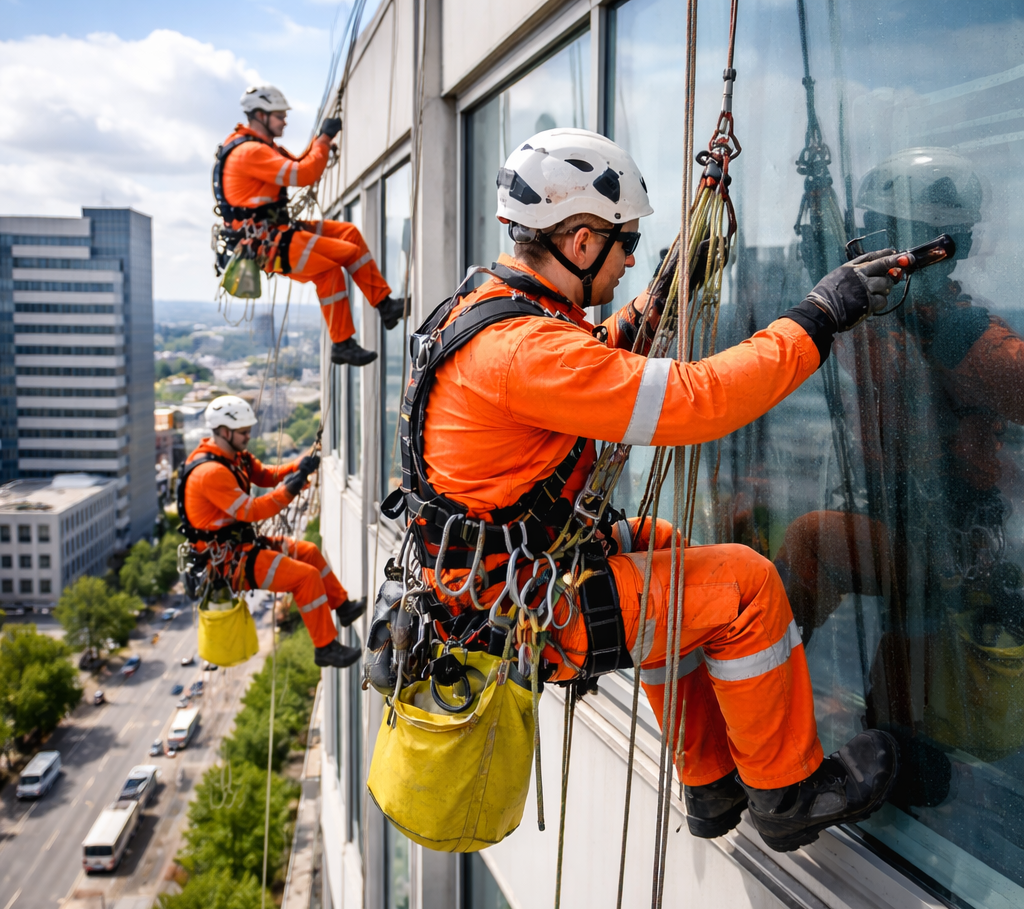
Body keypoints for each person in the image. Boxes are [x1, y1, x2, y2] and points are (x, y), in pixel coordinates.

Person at [393, 127, 902, 853]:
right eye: (624, 242)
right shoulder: (523, 350)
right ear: (578, 241)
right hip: (523, 612)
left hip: (493, 589)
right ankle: (790, 792)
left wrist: (654, 303)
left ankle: (709, 778)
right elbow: (697, 399)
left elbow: (583, 363)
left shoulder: (485, 314)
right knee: (747, 587)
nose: (631, 258)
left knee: (662, 546)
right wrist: (819, 316)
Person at [774, 148, 1024, 777]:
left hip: (949, 544)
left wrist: (943, 326)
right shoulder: (886, 318)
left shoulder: (961, 332)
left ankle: (780, 708)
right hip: (913, 528)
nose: (872, 252)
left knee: (815, 544)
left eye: (885, 238)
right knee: (892, 616)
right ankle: (894, 741)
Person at [214, 84, 408, 367]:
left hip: (275, 233)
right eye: (279, 115)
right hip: (268, 242)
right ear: (259, 115)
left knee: (347, 235)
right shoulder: (250, 152)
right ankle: (378, 313)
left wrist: (322, 141)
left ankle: (364, 326)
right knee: (343, 255)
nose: (284, 121)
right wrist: (325, 138)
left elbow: (301, 162)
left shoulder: (261, 148)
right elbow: (304, 173)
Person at [179, 395, 365, 668]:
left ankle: (343, 607)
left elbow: (265, 475)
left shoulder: (234, 458)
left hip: (238, 547)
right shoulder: (210, 472)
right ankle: (325, 647)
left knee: (309, 552)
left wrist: (297, 467)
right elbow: (251, 510)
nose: (248, 437)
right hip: (226, 562)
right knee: (305, 577)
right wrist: (292, 487)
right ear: (224, 432)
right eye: (243, 432)